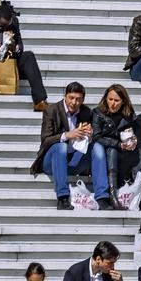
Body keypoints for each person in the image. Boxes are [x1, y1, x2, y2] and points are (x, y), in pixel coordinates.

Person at [29, 81, 110, 211]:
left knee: (97, 148)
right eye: (71, 98)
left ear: (83, 99)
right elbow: (45, 140)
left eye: (78, 99)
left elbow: (87, 140)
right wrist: (67, 135)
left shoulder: (86, 112)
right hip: (52, 161)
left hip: (74, 161)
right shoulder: (51, 110)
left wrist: (89, 135)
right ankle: (63, 197)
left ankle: (102, 198)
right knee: (61, 147)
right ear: (65, 96)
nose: (74, 102)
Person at [0, 0, 47, 113]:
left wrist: (15, 48)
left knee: (28, 56)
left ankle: (40, 101)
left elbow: (20, 45)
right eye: (0, 26)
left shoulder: (13, 22)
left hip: (8, 59)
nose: (3, 29)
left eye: (6, 26)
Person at [92, 83, 140, 209]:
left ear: (123, 101)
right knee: (112, 150)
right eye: (110, 99)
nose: (112, 103)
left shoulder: (129, 114)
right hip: (105, 149)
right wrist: (119, 144)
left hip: (123, 150)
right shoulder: (98, 113)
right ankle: (112, 192)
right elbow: (96, 137)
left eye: (116, 100)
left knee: (139, 152)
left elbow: (134, 132)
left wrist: (133, 140)